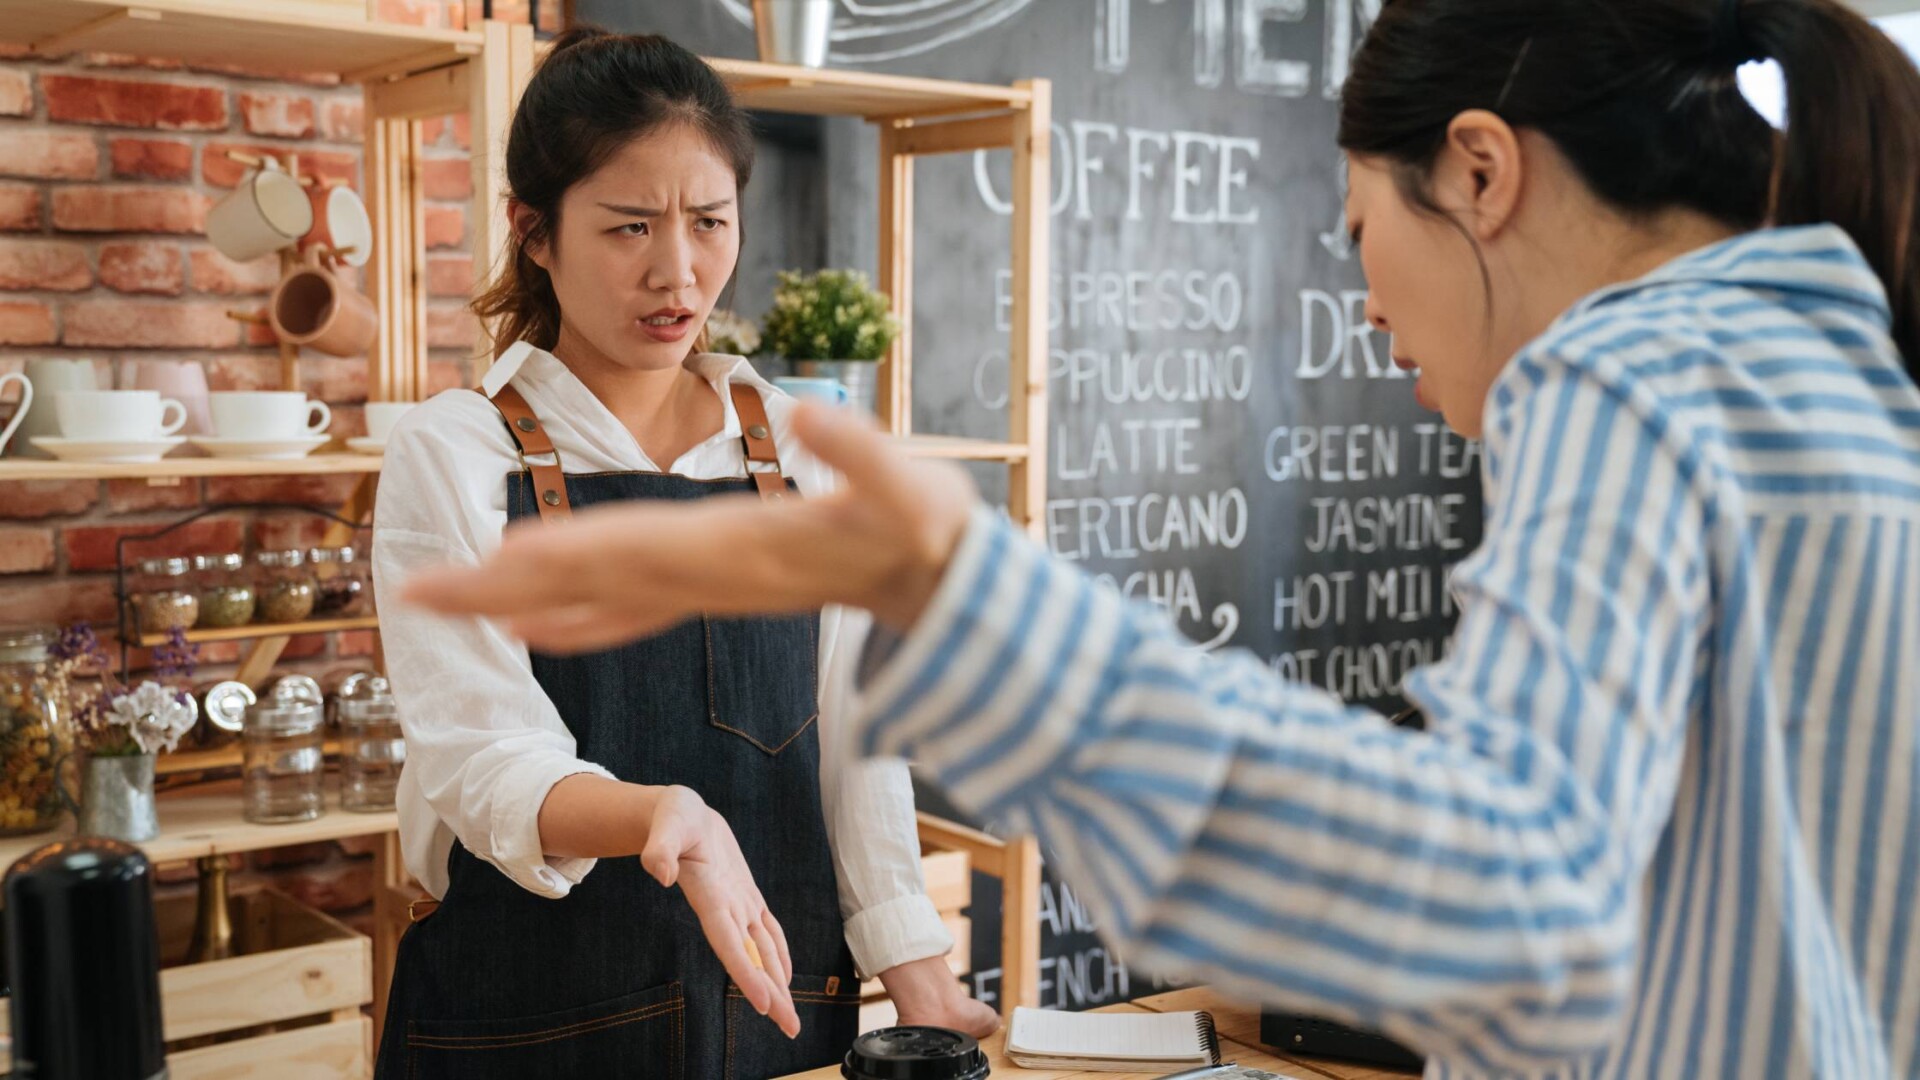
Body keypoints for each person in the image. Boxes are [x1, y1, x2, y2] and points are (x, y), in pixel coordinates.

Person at [402, 0, 1920, 1076]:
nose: (1369, 302)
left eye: (1355, 234)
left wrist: (970, 598)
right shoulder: (1851, 388)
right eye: (626, 226)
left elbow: (1501, 903)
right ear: (540, 229)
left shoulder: (1627, 387)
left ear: (1479, 171)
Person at [369, 28, 994, 1080]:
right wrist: (666, 817)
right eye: (628, 228)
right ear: (535, 232)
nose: (679, 270)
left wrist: (914, 958)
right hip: (522, 1034)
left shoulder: (805, 452)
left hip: (776, 1030)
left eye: (710, 222)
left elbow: (856, 734)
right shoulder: (455, 453)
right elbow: (480, 758)